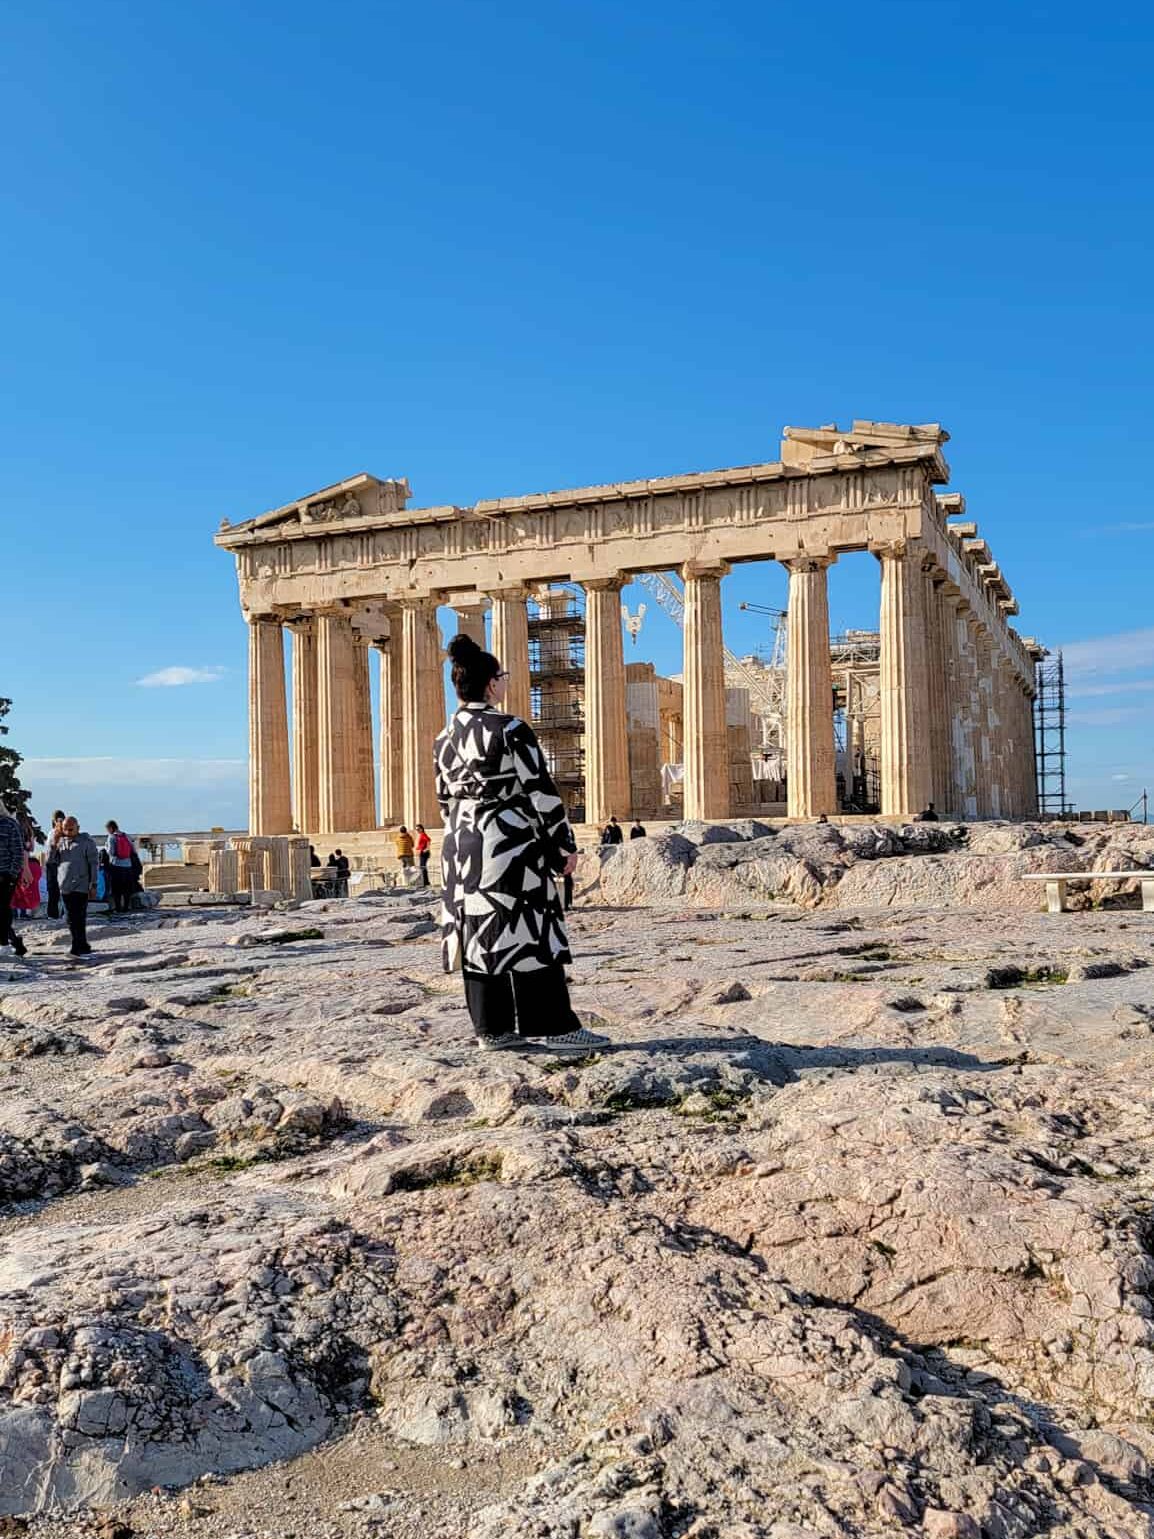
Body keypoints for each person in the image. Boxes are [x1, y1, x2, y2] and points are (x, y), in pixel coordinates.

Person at [434, 634, 607, 1054]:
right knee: (529, 927)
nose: (505, 684)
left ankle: (491, 1030)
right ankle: (555, 1027)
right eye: (503, 677)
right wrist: (563, 845)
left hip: (461, 842)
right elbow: (541, 791)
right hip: (507, 839)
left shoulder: (444, 737)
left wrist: (464, 830)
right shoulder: (509, 728)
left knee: (476, 932)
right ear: (491, 685)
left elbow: (443, 798)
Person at [55, 817, 99, 957]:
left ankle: (77, 945)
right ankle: (83, 944)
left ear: (78, 828)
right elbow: (51, 861)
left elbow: (94, 864)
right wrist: (53, 843)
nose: (68, 831)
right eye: (65, 829)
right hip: (64, 884)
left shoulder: (87, 842)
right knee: (70, 916)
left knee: (78, 916)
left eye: (71, 829)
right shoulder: (59, 842)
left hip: (81, 884)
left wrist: (93, 884)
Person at [0, 802, 29, 958]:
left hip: (5, 874)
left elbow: (18, 851)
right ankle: (16, 943)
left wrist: (11, 875)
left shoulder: (10, 824)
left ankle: (4, 943)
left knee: (3, 909)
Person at [103, 820, 137, 914]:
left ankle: (118, 908)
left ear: (110, 828)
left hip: (116, 865)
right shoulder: (126, 836)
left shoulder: (111, 837)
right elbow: (133, 850)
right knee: (126, 888)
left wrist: (106, 847)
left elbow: (111, 852)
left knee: (116, 889)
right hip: (128, 865)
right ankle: (126, 907)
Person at [44, 809, 66, 920]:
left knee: (52, 891)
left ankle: (52, 914)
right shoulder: (66, 833)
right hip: (62, 864)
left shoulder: (52, 832)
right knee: (63, 890)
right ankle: (63, 913)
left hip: (51, 864)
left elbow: (49, 851)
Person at [13, 846, 42, 918]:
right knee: (22, 890)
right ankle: (21, 913)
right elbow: (29, 849)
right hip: (23, 863)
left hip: (15, 864)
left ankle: (15, 913)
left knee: (17, 891)